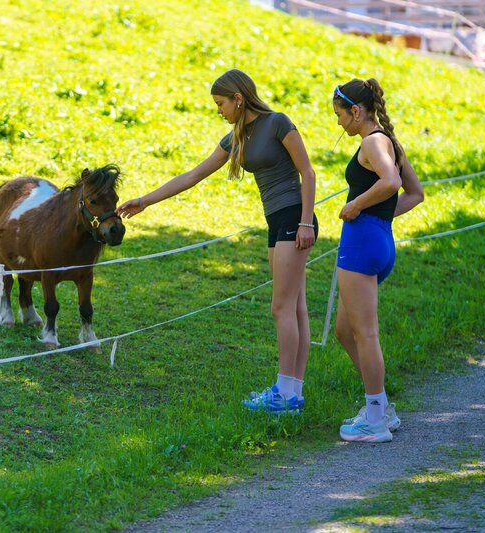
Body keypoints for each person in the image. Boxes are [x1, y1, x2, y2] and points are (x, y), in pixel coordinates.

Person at [117, 69, 317, 415]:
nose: (219, 110)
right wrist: (145, 200)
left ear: (238, 99)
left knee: (282, 307)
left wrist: (304, 223)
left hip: (293, 218)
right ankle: (291, 394)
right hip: (276, 222)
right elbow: (193, 176)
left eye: (221, 103)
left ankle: (284, 394)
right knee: (294, 305)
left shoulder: (278, 123)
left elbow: (308, 173)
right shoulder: (237, 136)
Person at [331, 78, 424, 442]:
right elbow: (414, 194)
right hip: (378, 239)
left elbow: (390, 182)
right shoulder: (390, 141)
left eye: (340, 115)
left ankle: (374, 418)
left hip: (362, 243)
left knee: (365, 333)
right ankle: (381, 406)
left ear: (356, 111)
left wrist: (356, 205)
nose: (339, 123)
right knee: (344, 330)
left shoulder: (372, 141)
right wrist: (381, 218)